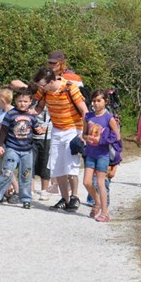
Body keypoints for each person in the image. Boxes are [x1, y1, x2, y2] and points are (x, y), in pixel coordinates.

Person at [32, 66, 88, 212]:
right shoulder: (44, 90)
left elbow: (84, 110)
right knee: (57, 166)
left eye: (42, 85)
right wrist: (29, 113)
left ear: (51, 81)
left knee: (71, 165)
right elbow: (39, 107)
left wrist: (84, 132)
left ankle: (75, 197)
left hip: (73, 129)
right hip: (56, 129)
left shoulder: (70, 88)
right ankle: (65, 198)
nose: (41, 88)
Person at [0, 88, 41, 210]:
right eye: (20, 101)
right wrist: (0, 145)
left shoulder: (32, 116)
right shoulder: (10, 114)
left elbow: (36, 129)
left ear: (30, 102)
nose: (22, 103)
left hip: (27, 150)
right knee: (7, 172)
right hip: (12, 149)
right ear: (16, 101)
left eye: (25, 101)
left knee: (25, 175)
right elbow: (3, 131)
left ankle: (26, 198)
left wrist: (38, 130)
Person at [83, 89, 119, 223]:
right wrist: (88, 138)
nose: (96, 104)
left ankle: (105, 212)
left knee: (100, 183)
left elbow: (117, 136)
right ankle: (97, 202)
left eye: (99, 101)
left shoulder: (109, 118)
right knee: (86, 182)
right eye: (94, 101)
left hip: (103, 154)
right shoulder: (88, 116)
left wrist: (101, 140)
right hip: (90, 153)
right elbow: (83, 134)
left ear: (106, 101)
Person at [31, 97, 52, 201]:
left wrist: (48, 128)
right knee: (30, 163)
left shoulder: (52, 102)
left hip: (47, 137)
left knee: (45, 163)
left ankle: (44, 190)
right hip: (31, 137)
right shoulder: (32, 101)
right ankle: (31, 190)